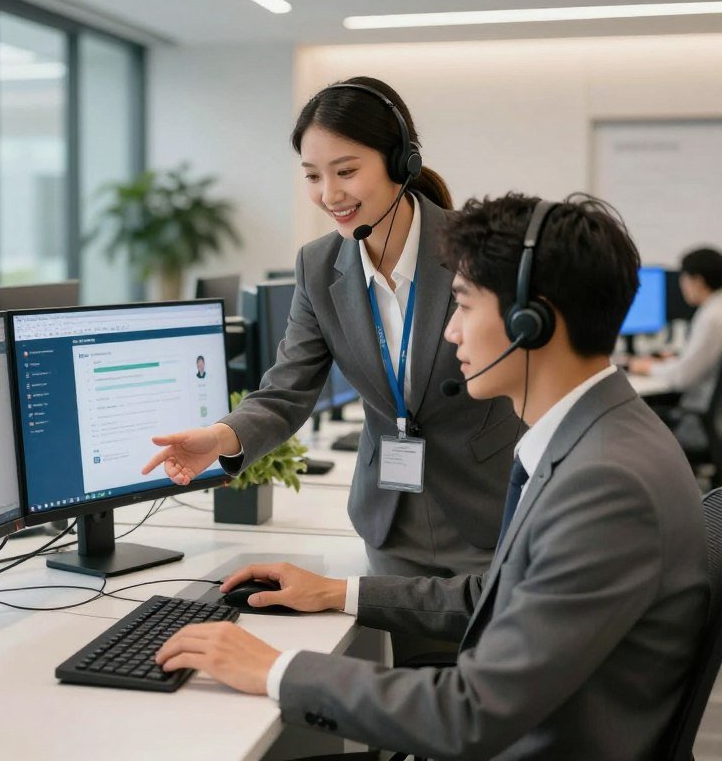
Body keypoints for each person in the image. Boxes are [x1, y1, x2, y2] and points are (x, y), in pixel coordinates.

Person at [155, 193, 709, 759]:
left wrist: (275, 669)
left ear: (530, 321)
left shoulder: (607, 483)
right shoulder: (596, 436)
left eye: (463, 306)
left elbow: (471, 714)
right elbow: (500, 595)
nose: (449, 333)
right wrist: (338, 592)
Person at [143, 77, 516, 591]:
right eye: (313, 176)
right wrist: (221, 437)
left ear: (400, 161)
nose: (329, 194)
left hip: (489, 511)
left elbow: (531, 372)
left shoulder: (475, 249)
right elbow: (285, 390)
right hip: (390, 519)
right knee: (396, 661)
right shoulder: (318, 267)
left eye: (346, 171)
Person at [629, 246, 722, 447]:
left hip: (699, 423)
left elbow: (681, 378)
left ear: (697, 280)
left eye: (684, 278)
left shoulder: (711, 317)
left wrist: (647, 367)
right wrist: (675, 358)